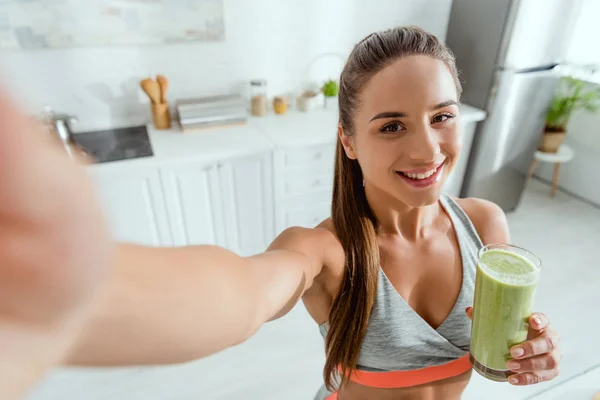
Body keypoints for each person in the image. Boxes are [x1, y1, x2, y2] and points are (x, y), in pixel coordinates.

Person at [0, 26, 561, 400]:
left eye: (441, 116)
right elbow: (242, 293)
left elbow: (503, 349)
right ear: (347, 140)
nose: (427, 150)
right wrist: (53, 298)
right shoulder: (326, 252)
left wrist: (527, 353)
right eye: (392, 125)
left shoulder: (486, 226)